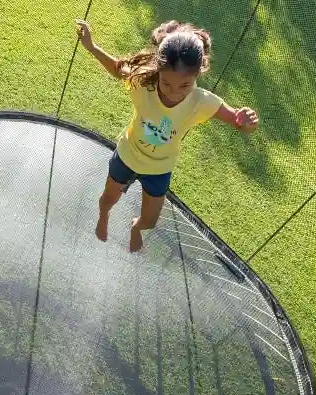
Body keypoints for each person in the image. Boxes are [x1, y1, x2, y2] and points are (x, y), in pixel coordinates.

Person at [75, 19, 259, 252]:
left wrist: (248, 121)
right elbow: (116, 68)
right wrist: (91, 46)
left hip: (159, 169)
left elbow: (239, 122)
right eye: (166, 83)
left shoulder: (201, 102)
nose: (174, 92)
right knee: (107, 200)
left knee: (150, 221)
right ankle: (103, 216)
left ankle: (135, 228)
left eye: (184, 86)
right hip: (127, 155)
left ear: (198, 73)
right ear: (157, 71)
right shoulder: (143, 82)